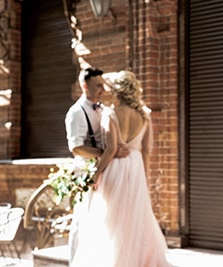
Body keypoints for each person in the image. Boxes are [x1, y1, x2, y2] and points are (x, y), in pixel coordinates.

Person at [71, 70, 171, 267]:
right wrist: (146, 178)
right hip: (137, 169)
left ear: (118, 91)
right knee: (134, 220)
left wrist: (95, 174)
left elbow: (111, 150)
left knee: (110, 221)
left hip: (116, 170)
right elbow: (146, 151)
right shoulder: (145, 116)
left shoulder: (111, 114)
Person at [65, 67, 128, 266]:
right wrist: (106, 153)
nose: (102, 89)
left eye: (102, 85)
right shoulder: (76, 112)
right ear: (85, 86)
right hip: (86, 172)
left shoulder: (101, 108)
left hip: (104, 169)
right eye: (98, 86)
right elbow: (76, 148)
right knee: (82, 221)